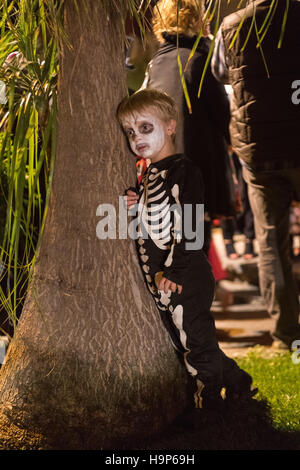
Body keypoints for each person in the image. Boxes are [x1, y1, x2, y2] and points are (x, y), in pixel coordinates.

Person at [117, 88, 257, 413]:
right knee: (194, 342)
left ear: (170, 126)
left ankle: (208, 409)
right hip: (165, 282)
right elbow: (156, 219)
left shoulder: (184, 171)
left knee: (195, 344)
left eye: (146, 128)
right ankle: (238, 382)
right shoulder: (150, 173)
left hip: (184, 278)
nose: (137, 137)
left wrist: (177, 271)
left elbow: (191, 226)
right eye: (130, 132)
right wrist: (138, 201)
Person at [211, 0, 300, 349]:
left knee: (272, 245)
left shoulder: (232, 25)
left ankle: (286, 336)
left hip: (260, 149)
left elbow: (221, 73)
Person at [141, 0, 237, 255]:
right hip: (196, 168)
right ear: (196, 20)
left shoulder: (157, 63)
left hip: (162, 170)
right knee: (195, 249)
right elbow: (222, 114)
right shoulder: (200, 60)